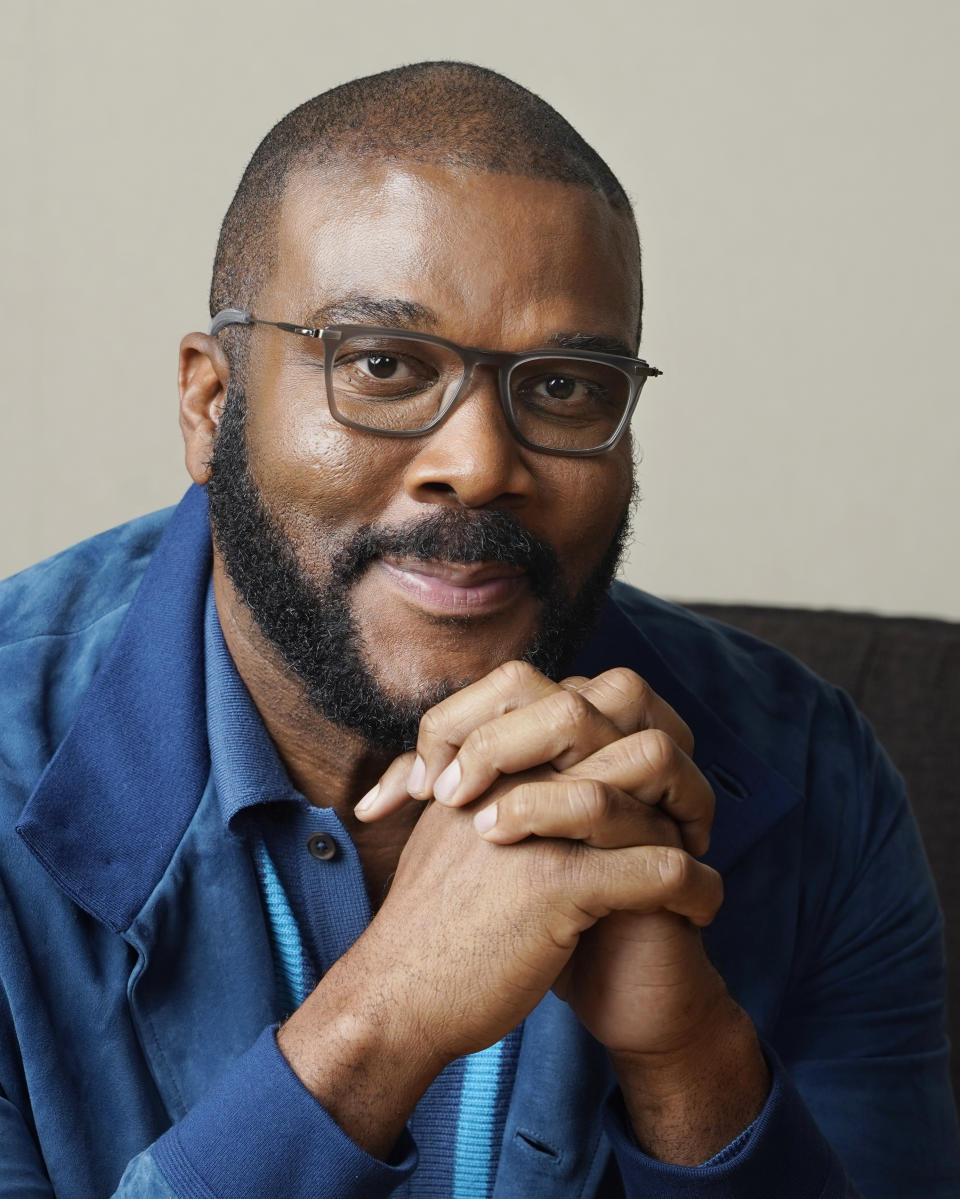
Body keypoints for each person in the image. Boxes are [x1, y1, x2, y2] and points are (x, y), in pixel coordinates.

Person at [0, 61, 956, 1199]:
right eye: (384, 365)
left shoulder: (815, 771)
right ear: (212, 405)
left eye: (562, 388)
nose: (482, 464)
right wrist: (378, 1022)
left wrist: (691, 1058)